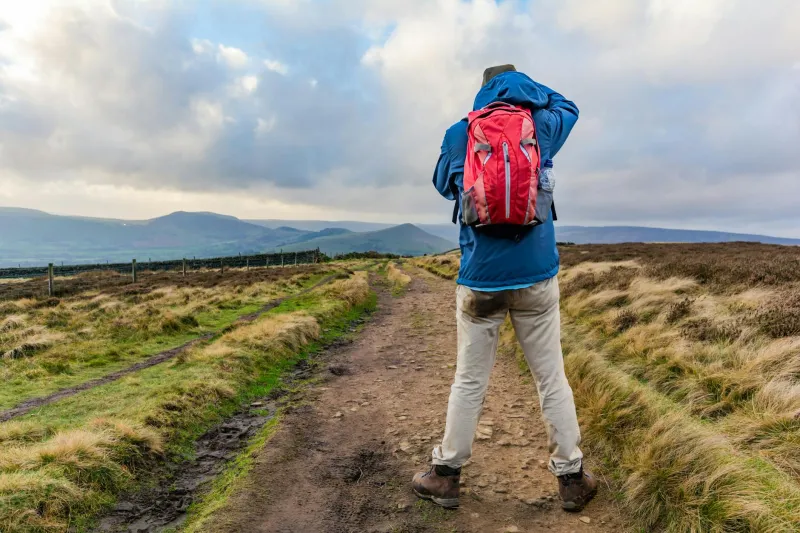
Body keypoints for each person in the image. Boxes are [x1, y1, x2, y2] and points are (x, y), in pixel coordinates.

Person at [411, 65, 597, 512]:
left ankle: (446, 475)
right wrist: (529, 89)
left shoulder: (460, 132)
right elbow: (569, 104)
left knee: (470, 379)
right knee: (551, 377)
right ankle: (571, 478)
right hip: (537, 277)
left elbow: (442, 186)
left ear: (481, 91)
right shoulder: (541, 125)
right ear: (523, 90)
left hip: (480, 281)